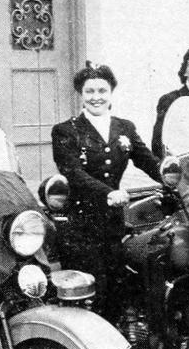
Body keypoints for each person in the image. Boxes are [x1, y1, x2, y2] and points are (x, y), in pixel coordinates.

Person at [52, 61, 162, 316]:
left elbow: (146, 160)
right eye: (90, 91)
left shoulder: (124, 128)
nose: (96, 97)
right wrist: (108, 192)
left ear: (111, 92)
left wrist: (169, 177)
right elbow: (73, 173)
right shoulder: (66, 131)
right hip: (80, 222)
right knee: (94, 287)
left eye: (102, 91)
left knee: (118, 284)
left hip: (113, 220)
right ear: (81, 94)